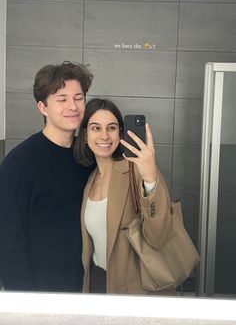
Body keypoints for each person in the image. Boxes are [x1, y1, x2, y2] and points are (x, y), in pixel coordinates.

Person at [0, 61, 93, 292]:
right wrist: (24, 299)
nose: (73, 106)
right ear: (42, 107)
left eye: (78, 97)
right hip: (39, 292)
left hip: (84, 286)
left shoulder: (89, 157)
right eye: (62, 99)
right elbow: (8, 239)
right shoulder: (20, 163)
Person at [74, 98, 174, 294]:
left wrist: (150, 177)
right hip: (96, 282)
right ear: (85, 135)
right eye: (96, 128)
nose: (104, 136)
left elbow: (159, 236)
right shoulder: (90, 180)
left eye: (111, 128)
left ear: (120, 133)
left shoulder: (137, 170)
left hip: (134, 289)